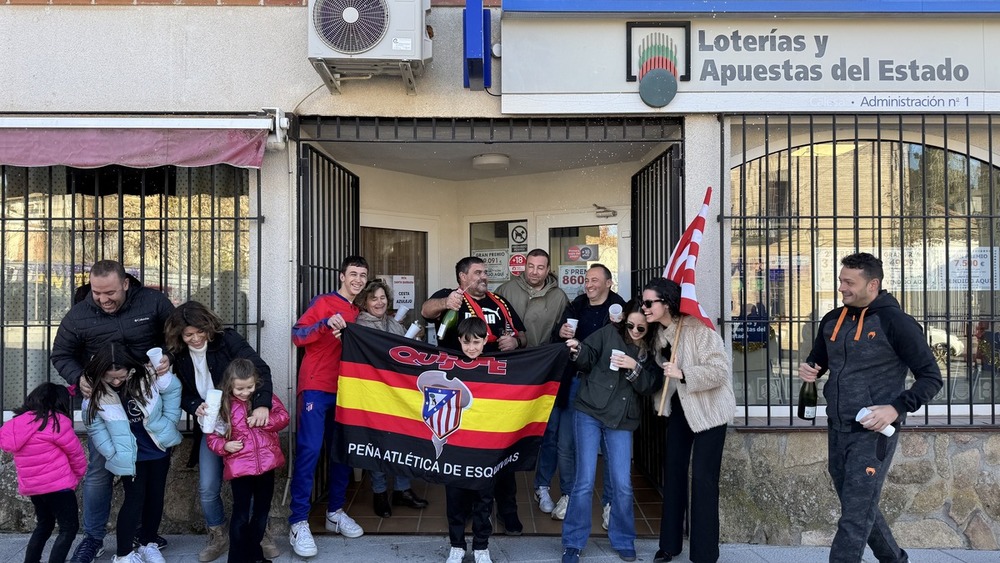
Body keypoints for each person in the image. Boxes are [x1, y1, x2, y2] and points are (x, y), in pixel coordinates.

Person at [798, 253, 942, 563]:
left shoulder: (896, 323)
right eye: (840, 280)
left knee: (852, 518)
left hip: (873, 432)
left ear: (872, 284)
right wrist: (811, 370)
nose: (842, 288)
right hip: (837, 428)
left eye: (849, 282)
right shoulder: (832, 320)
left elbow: (931, 378)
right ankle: (895, 560)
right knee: (859, 508)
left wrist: (896, 408)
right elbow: (820, 360)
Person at [51, 260, 174, 563]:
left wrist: (169, 356)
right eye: (97, 293)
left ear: (125, 284)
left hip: (146, 399)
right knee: (98, 470)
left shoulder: (153, 301)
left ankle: (144, 537)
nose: (103, 300)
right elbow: (61, 354)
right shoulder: (79, 314)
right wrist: (78, 376)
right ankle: (93, 539)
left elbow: (175, 336)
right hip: (105, 402)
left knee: (152, 471)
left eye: (110, 293)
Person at [164, 300, 278, 562]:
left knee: (252, 480)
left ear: (207, 326)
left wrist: (261, 406)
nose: (195, 338)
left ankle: (259, 535)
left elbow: (259, 369)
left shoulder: (227, 340)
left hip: (242, 426)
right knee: (207, 486)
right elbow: (182, 392)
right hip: (212, 427)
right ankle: (218, 533)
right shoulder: (179, 355)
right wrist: (195, 405)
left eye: (199, 332)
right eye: (188, 334)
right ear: (180, 335)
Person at [422, 256, 527, 534]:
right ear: (462, 277)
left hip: (496, 392)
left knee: (502, 451)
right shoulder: (450, 296)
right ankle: (464, 510)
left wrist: (515, 341)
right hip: (459, 393)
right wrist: (446, 304)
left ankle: (508, 511)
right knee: (462, 453)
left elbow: (524, 335)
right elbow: (426, 309)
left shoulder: (500, 302)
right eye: (478, 272)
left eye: (485, 272)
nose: (484, 276)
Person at [642, 277, 735, 563]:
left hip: (708, 411)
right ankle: (669, 545)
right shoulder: (657, 334)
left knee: (704, 480)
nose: (644, 308)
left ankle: (705, 553)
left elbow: (720, 371)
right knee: (673, 475)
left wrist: (684, 373)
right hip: (680, 411)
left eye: (649, 303)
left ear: (666, 303)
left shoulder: (698, 329)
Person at [560, 301, 658, 563]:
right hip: (589, 410)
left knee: (622, 483)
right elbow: (587, 356)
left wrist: (633, 366)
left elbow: (651, 385)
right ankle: (573, 542)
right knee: (584, 480)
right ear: (623, 321)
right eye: (631, 325)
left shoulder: (652, 349)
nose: (635, 330)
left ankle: (624, 538)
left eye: (641, 327)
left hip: (622, 419)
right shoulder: (608, 333)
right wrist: (576, 349)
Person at [288, 255, 369, 557]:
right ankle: (297, 521)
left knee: (342, 452)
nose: (358, 280)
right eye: (353, 274)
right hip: (316, 388)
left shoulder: (358, 312)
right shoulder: (323, 302)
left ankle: (334, 512)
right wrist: (324, 324)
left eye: (362, 275)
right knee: (309, 450)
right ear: (341, 276)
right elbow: (297, 335)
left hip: (346, 390)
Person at [82, 344, 182, 563]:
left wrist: (170, 422)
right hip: (129, 456)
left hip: (157, 449)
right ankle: (124, 553)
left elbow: (173, 390)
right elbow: (94, 426)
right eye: (111, 378)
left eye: (121, 376)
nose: (117, 382)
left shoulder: (147, 377)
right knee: (134, 500)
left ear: (131, 369)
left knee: (155, 498)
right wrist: (112, 452)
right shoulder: (95, 392)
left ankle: (148, 543)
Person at [494, 249, 569, 516]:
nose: (534, 271)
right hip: (512, 372)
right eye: (530, 266)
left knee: (548, 433)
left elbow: (562, 337)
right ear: (523, 266)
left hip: (545, 372)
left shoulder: (559, 296)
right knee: (506, 432)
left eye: (540, 267)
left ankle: (542, 486)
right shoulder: (505, 289)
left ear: (548, 269)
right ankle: (500, 488)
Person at [550, 263, 627, 523]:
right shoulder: (577, 305)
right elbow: (557, 338)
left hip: (608, 386)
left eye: (595, 280)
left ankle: (609, 503)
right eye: (587, 279)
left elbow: (632, 342)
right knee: (566, 442)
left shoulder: (620, 308)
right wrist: (560, 332)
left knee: (608, 448)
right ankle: (569, 495)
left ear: (608, 283)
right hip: (576, 381)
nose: (589, 284)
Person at [353, 279, 429, 518]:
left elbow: (406, 352)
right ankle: (379, 492)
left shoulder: (393, 323)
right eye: (373, 298)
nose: (379, 302)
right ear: (365, 302)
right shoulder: (359, 326)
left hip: (399, 394)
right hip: (374, 395)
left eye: (382, 298)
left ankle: (402, 490)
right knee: (378, 445)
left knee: (403, 442)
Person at [206, 359, 290, 563]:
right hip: (241, 468)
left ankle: (255, 555)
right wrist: (224, 446)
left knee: (261, 513)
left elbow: (283, 417)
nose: (245, 392)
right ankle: (236, 559)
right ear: (230, 385)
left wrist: (265, 420)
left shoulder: (263, 398)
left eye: (250, 387)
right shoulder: (223, 405)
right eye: (240, 388)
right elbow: (212, 435)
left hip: (266, 466)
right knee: (241, 515)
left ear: (256, 382)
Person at [0, 383, 87, 563]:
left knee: (44, 525)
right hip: (60, 487)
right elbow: (76, 454)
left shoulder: (17, 424)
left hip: (35, 489)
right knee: (68, 529)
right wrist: (77, 476)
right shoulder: (57, 422)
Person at [445, 317, 497, 563]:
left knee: (483, 500)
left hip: (484, 448)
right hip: (455, 445)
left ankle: (480, 546)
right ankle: (456, 545)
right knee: (455, 498)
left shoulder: (497, 367)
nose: (472, 348)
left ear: (486, 340)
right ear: (459, 341)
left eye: (477, 342)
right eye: (467, 343)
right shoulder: (449, 365)